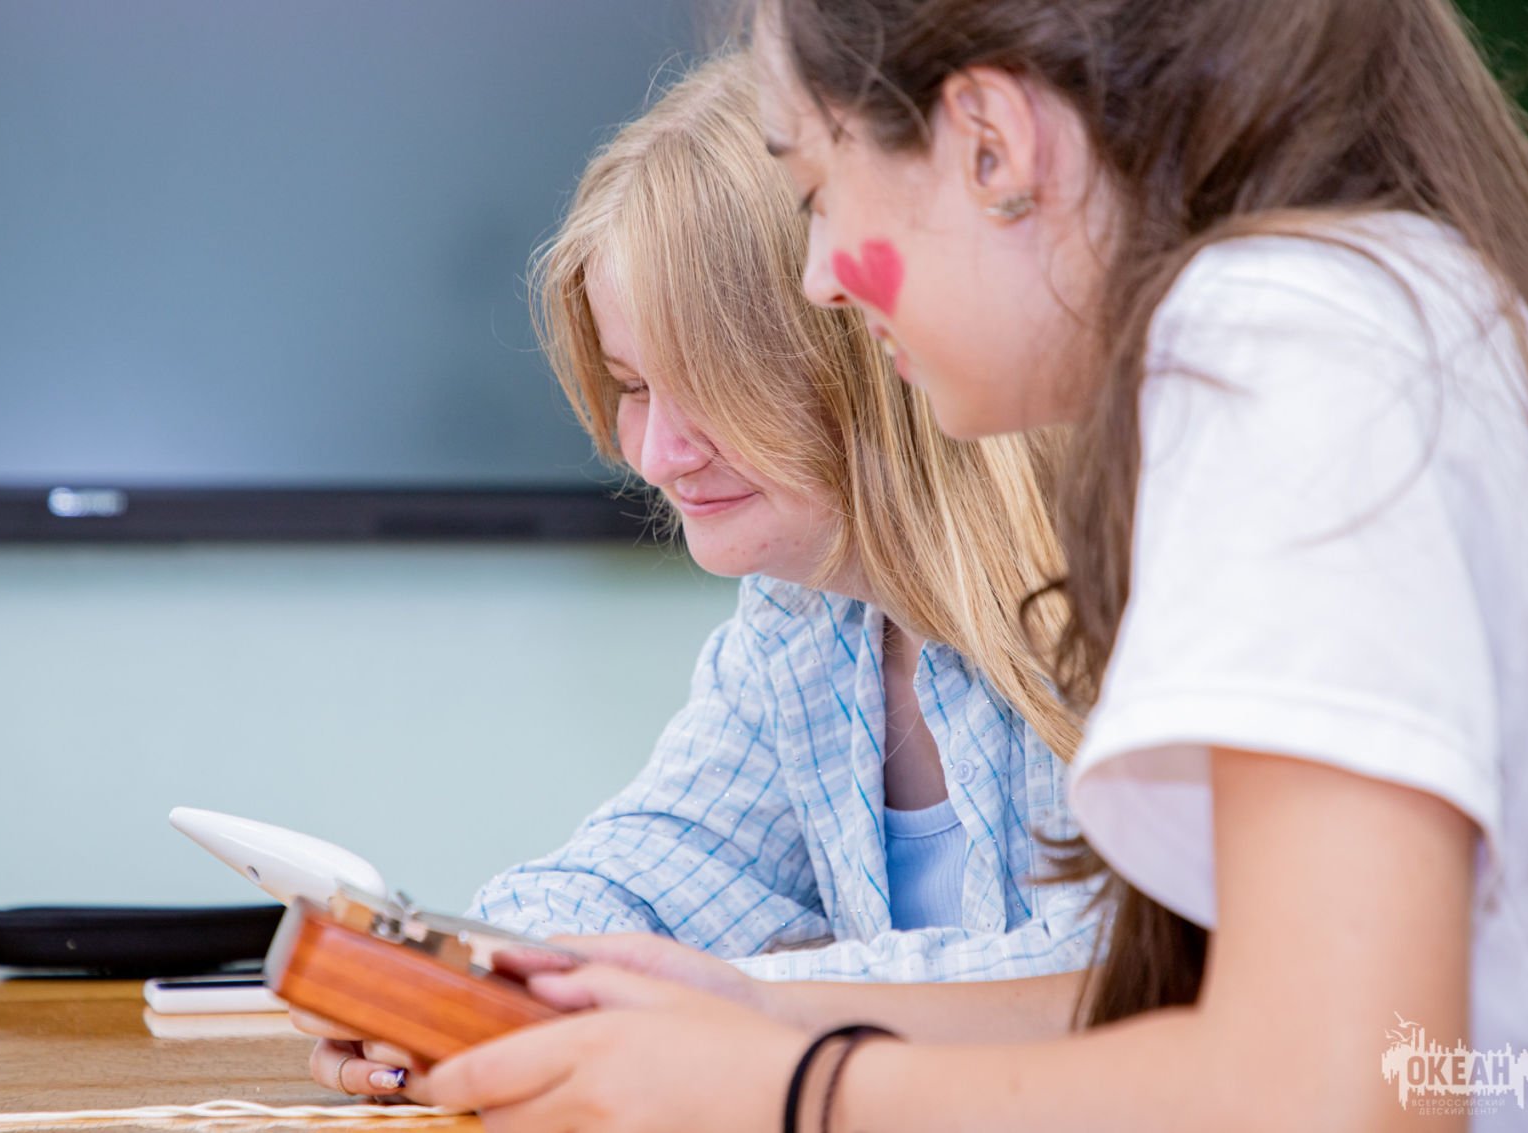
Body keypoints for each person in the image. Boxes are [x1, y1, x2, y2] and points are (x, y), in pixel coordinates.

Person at [382, 1, 1528, 1129]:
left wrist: (783, 1084)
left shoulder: (1280, 352)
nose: (820, 276)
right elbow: (1195, 1017)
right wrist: (733, 1009)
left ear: (991, 145)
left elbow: (1335, 1094)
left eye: (816, 193)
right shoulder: (1355, 312)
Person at [303, 54, 1109, 1098]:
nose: (656, 454)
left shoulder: (1104, 591)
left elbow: (1119, 983)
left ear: (859, 348)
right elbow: (643, 871)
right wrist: (459, 990)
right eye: (634, 387)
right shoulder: (798, 622)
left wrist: (726, 1004)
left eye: (711, 385)